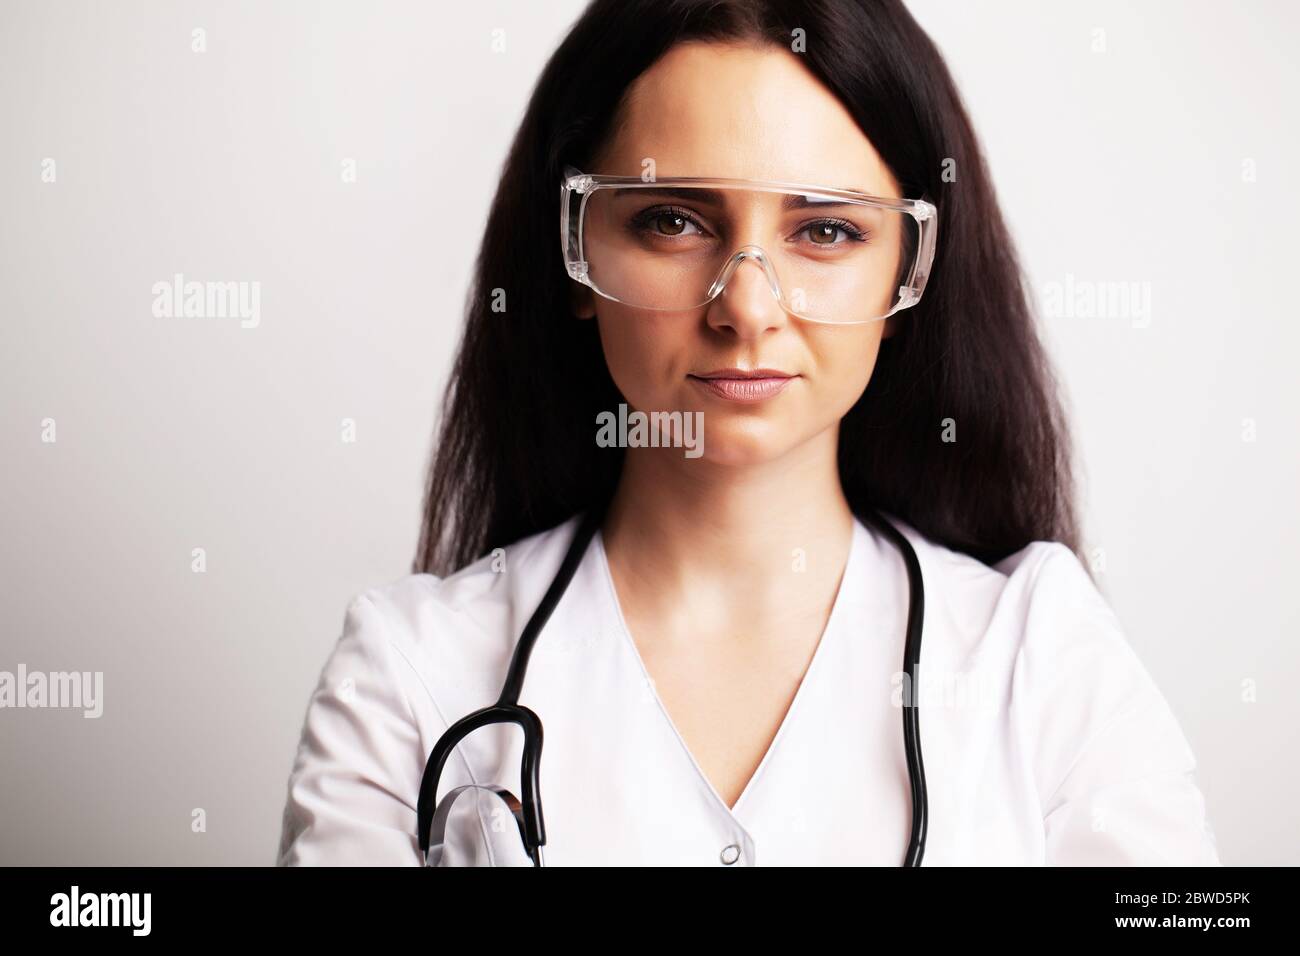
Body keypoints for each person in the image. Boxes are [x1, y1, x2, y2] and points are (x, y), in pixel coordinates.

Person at [276, 0, 1221, 866]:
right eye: (673, 219)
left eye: (827, 233)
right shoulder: (408, 679)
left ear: (909, 275)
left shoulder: (1044, 662)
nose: (748, 308)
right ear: (573, 252)